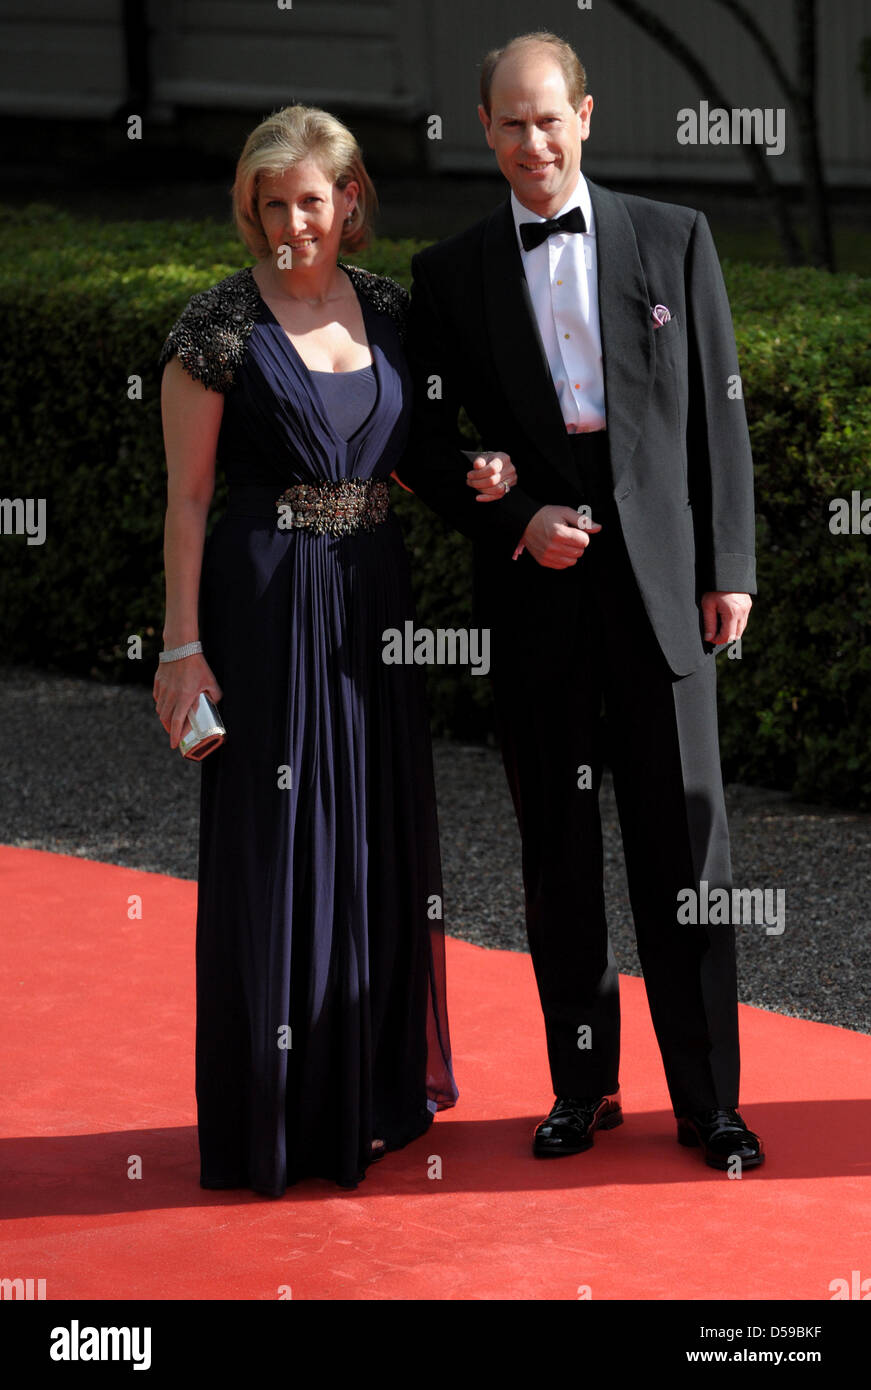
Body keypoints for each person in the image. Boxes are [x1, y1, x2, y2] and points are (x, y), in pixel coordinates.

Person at [398, 31, 765, 1171]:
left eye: (548, 117)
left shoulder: (674, 237)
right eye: (508, 121)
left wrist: (730, 567)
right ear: (484, 130)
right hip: (538, 603)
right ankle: (583, 1085)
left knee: (688, 858)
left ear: (586, 117)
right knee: (557, 856)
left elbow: (718, 413)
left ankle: (708, 1100)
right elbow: (421, 439)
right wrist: (507, 515)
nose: (531, 141)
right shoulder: (448, 275)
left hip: (664, 597)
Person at [152, 104, 514, 1196]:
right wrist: (180, 648)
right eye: (272, 204)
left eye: (312, 200)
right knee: (280, 845)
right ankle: (280, 1116)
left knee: (374, 832)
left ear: (349, 199)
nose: (292, 223)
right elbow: (188, 498)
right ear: (251, 209)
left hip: (373, 599)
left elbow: (418, 456)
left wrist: (490, 479)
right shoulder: (215, 326)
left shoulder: (395, 311)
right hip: (265, 604)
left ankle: (368, 1089)